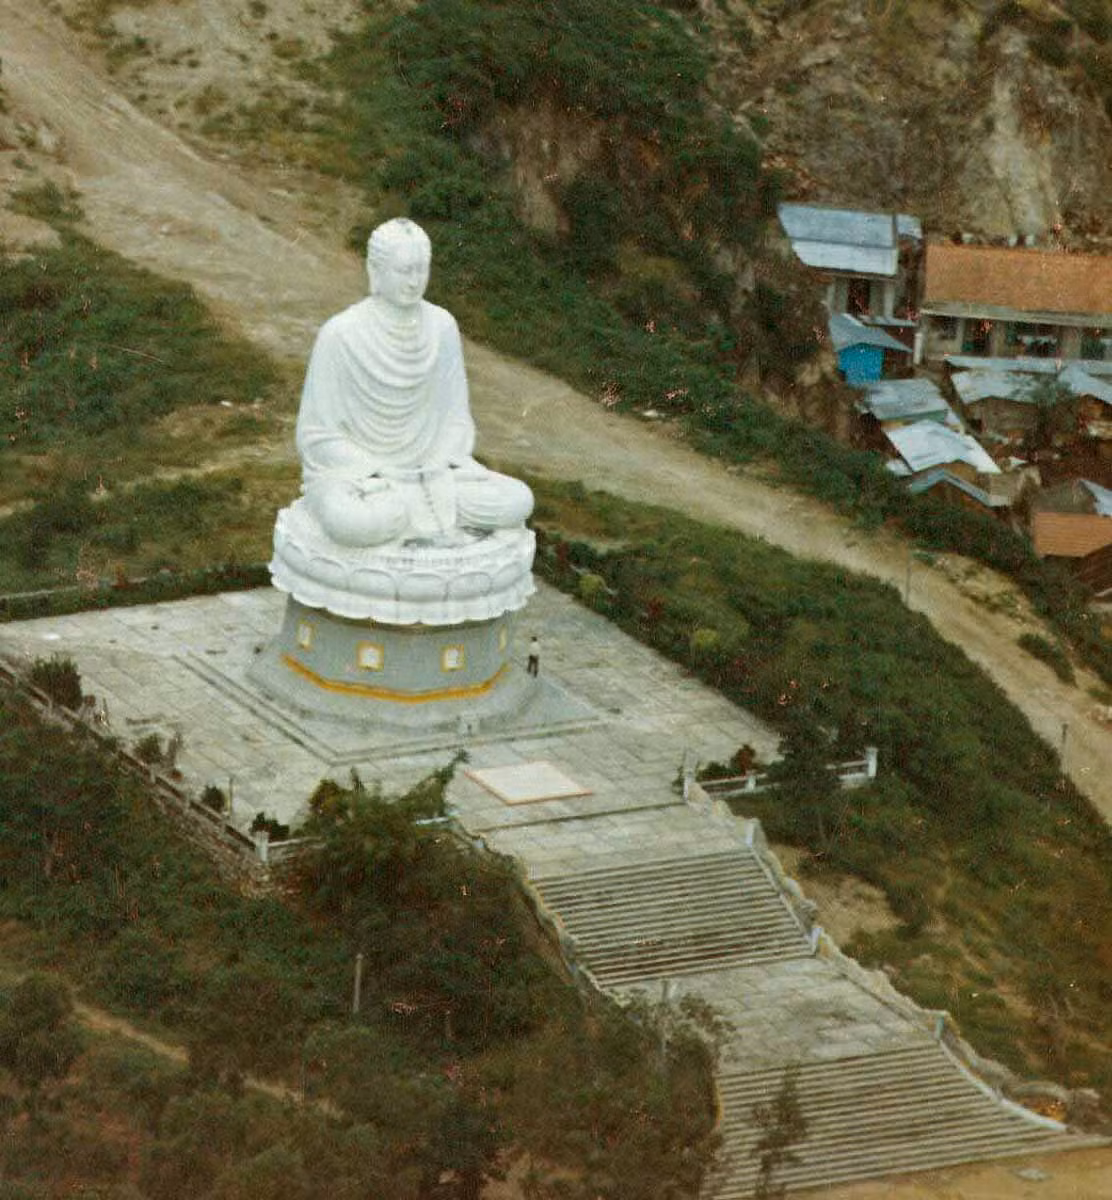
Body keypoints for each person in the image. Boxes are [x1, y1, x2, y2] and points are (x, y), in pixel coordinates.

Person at [296, 218, 533, 547]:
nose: (413, 281)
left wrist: (437, 464)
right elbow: (316, 435)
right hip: (369, 481)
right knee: (352, 521)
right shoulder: (341, 334)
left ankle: (412, 516)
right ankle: (404, 516)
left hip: (434, 475)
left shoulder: (442, 327)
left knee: (517, 500)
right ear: (375, 271)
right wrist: (378, 471)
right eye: (403, 270)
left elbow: (456, 418)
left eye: (421, 269)